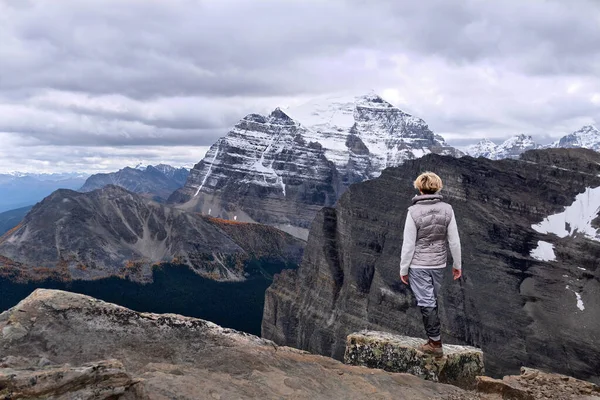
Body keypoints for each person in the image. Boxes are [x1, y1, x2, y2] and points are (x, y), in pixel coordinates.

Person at [399, 172, 462, 357]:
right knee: (431, 300)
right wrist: (457, 264)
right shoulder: (448, 209)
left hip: (418, 265)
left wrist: (404, 269)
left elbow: (409, 244)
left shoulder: (413, 212)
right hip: (439, 264)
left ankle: (435, 343)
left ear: (419, 188)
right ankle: (433, 339)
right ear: (438, 187)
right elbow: (454, 241)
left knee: (426, 302)